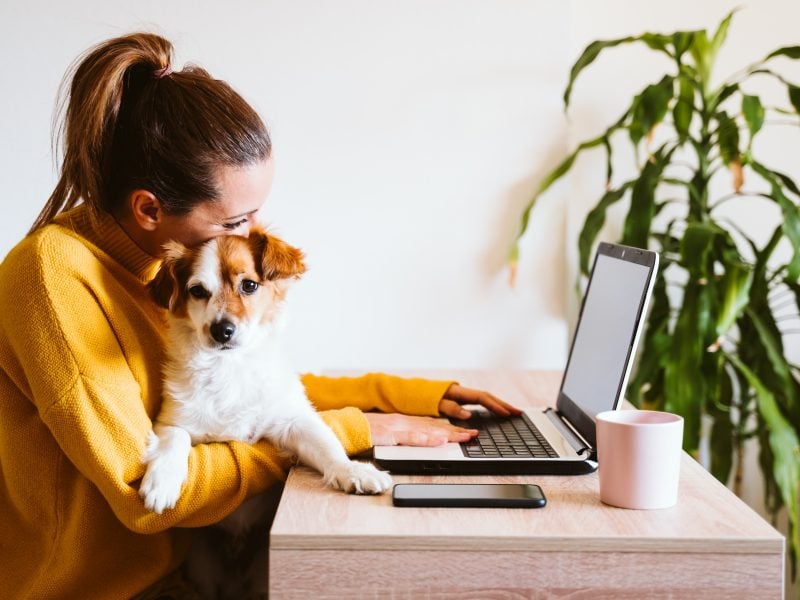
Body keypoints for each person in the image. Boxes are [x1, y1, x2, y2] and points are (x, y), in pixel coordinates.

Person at [0, 32, 520, 599]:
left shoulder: (158, 266)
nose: (249, 238)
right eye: (233, 221)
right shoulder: (54, 279)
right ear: (149, 208)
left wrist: (402, 396)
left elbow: (244, 390)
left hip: (183, 570)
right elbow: (141, 499)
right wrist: (351, 432)